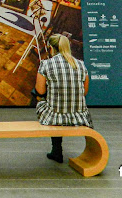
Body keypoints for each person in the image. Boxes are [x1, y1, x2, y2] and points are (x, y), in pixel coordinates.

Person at [32, 34, 93, 163]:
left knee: (39, 98)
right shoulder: (81, 65)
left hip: (54, 116)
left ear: (51, 48)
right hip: (80, 116)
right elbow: (85, 92)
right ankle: (58, 150)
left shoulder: (46, 64)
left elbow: (40, 90)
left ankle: (56, 149)